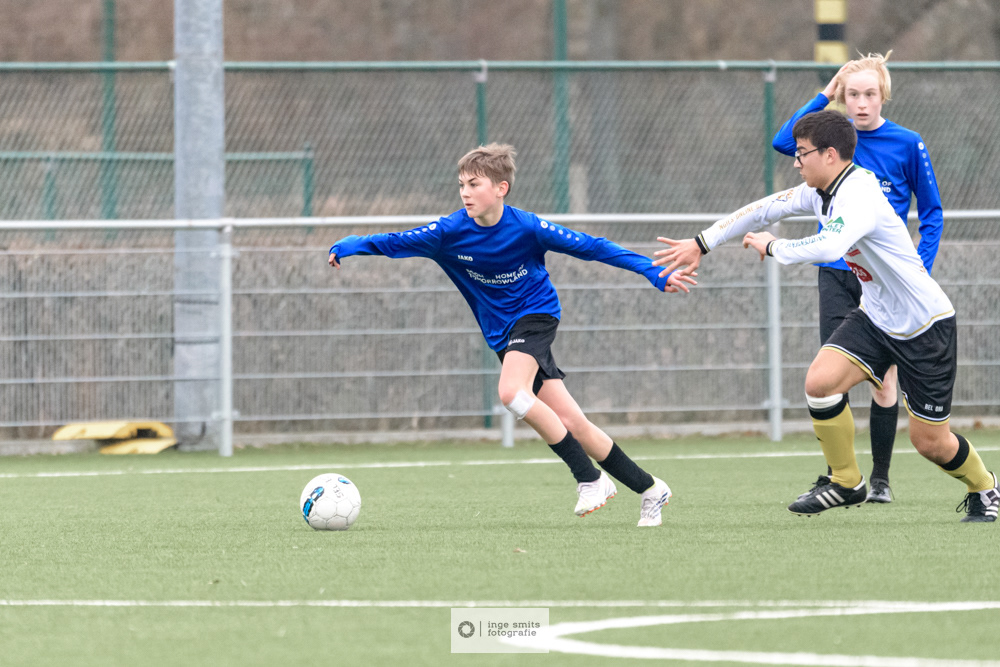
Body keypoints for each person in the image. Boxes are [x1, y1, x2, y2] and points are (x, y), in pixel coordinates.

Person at [328, 143, 696, 527]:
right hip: (503, 333)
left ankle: (589, 479)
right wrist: (351, 245)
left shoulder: (528, 227)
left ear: (501, 188)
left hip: (537, 315)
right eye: (461, 185)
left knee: (510, 393)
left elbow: (593, 248)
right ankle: (650, 489)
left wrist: (651, 270)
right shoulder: (448, 232)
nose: (465, 192)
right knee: (573, 422)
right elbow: (394, 242)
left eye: (474, 184)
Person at [656, 110, 997, 522]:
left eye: (802, 153)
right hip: (876, 317)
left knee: (930, 443)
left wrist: (774, 248)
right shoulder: (819, 191)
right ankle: (847, 481)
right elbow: (762, 209)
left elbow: (828, 247)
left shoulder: (860, 195)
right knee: (819, 383)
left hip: (925, 325)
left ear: (830, 155)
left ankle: (985, 487)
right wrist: (702, 243)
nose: (796, 162)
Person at [767, 52, 945, 505]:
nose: (861, 103)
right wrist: (825, 92)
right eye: (851, 94)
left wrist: (918, 267)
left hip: (885, 283)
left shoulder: (907, 143)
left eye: (869, 94)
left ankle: (880, 479)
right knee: (832, 374)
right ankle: (841, 477)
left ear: (883, 96)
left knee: (883, 381)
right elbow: (783, 141)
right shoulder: (832, 142)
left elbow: (932, 212)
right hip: (836, 273)